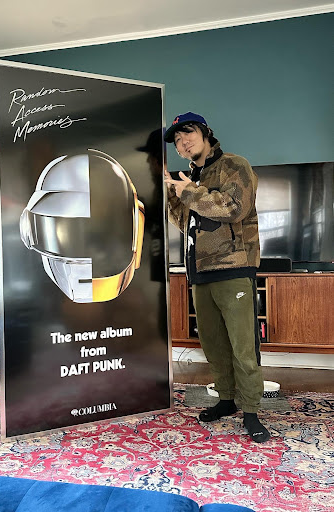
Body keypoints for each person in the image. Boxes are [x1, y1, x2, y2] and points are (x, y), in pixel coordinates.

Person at [164, 112, 270, 443]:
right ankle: (226, 399)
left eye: (188, 133)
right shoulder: (191, 176)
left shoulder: (234, 165)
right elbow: (185, 223)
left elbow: (234, 208)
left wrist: (189, 192)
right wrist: (173, 192)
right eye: (177, 140)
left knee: (243, 346)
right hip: (199, 271)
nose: (183, 142)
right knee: (213, 343)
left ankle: (251, 411)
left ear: (206, 133)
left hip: (233, 267)